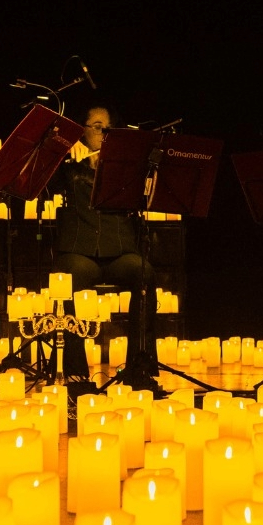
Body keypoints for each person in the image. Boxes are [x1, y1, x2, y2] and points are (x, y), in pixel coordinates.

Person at [49, 100, 159, 389]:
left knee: (144, 272)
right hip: (79, 250)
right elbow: (44, 185)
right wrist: (64, 158)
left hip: (119, 249)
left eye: (108, 128)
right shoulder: (69, 162)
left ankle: (140, 365)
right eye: (97, 127)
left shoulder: (124, 164)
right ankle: (75, 371)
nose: (102, 133)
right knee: (70, 276)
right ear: (82, 130)